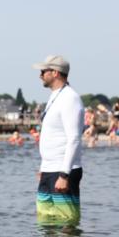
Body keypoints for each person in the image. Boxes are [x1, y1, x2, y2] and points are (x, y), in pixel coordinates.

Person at [31, 55, 85, 225]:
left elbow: (74, 138)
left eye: (43, 71)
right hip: (49, 170)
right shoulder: (55, 96)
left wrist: (64, 174)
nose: (40, 75)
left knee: (65, 223)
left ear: (55, 73)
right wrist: (43, 168)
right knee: (45, 222)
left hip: (63, 171)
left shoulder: (70, 98)